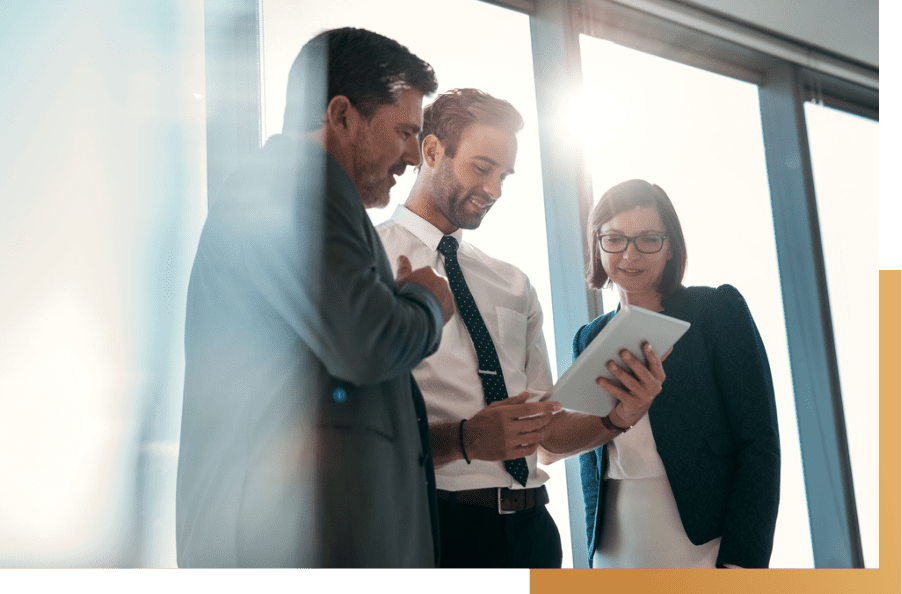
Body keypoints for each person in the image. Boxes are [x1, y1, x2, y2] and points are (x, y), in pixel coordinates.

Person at [176, 27, 455, 568]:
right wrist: (424, 303)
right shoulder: (298, 185)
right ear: (342, 114)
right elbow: (367, 343)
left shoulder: (292, 189)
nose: (411, 158)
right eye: (403, 132)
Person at [376, 89, 665, 568]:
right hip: (437, 530)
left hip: (533, 534)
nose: (495, 190)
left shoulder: (512, 283)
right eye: (482, 167)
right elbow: (356, 430)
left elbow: (547, 435)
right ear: (431, 152)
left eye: (504, 175)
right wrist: (465, 440)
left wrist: (619, 417)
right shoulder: (369, 261)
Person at [575, 179, 781, 568]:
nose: (630, 254)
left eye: (648, 239)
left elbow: (760, 446)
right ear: (597, 244)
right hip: (614, 545)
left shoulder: (716, 310)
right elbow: (591, 459)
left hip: (704, 543)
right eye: (615, 239)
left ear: (670, 246)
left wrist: (742, 565)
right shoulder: (588, 338)